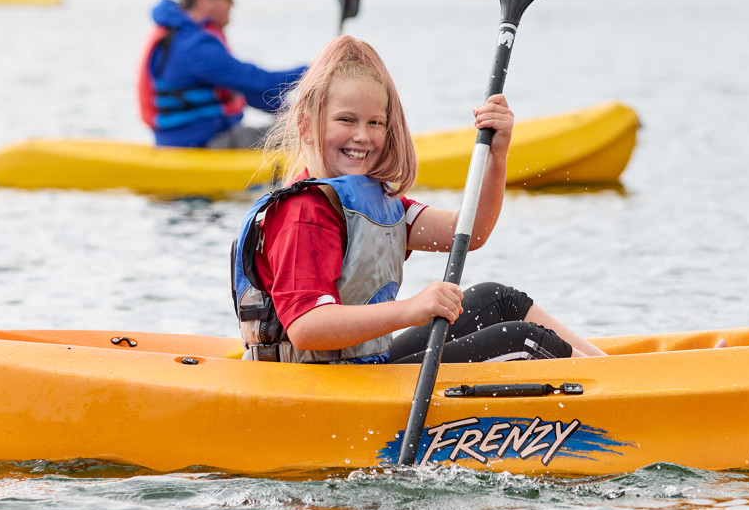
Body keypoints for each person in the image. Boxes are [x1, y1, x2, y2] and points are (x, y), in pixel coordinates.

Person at [231, 36, 609, 365]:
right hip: (317, 388)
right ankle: (617, 394)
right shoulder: (305, 213)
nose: (363, 136)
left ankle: (615, 375)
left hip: (365, 367)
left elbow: (469, 232)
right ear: (305, 126)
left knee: (500, 301)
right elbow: (307, 329)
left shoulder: (376, 203)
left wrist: (496, 157)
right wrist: (412, 309)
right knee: (522, 341)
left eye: (375, 123)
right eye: (346, 120)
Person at [139, 0, 306, 148]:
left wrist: (295, 114)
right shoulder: (195, 47)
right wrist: (318, 68)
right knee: (305, 137)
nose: (233, 4)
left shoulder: (182, 34)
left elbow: (250, 92)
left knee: (300, 128)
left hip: (195, 139)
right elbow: (262, 81)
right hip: (200, 145)